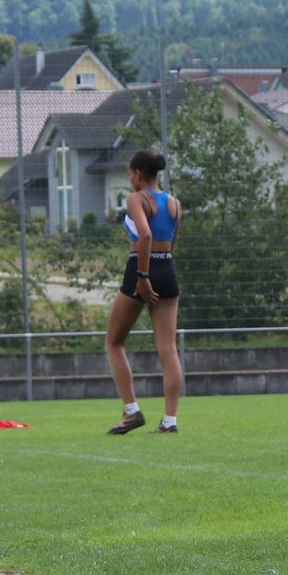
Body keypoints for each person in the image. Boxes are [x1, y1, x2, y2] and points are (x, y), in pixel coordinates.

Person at [104, 150, 186, 435]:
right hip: (168, 270)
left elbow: (145, 235)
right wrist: (158, 269)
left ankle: (131, 411)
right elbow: (171, 242)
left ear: (138, 172)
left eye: (130, 173)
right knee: (168, 349)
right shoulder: (174, 203)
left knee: (114, 343)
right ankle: (170, 421)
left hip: (142, 269)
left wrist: (142, 276)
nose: (130, 178)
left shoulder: (136, 198)